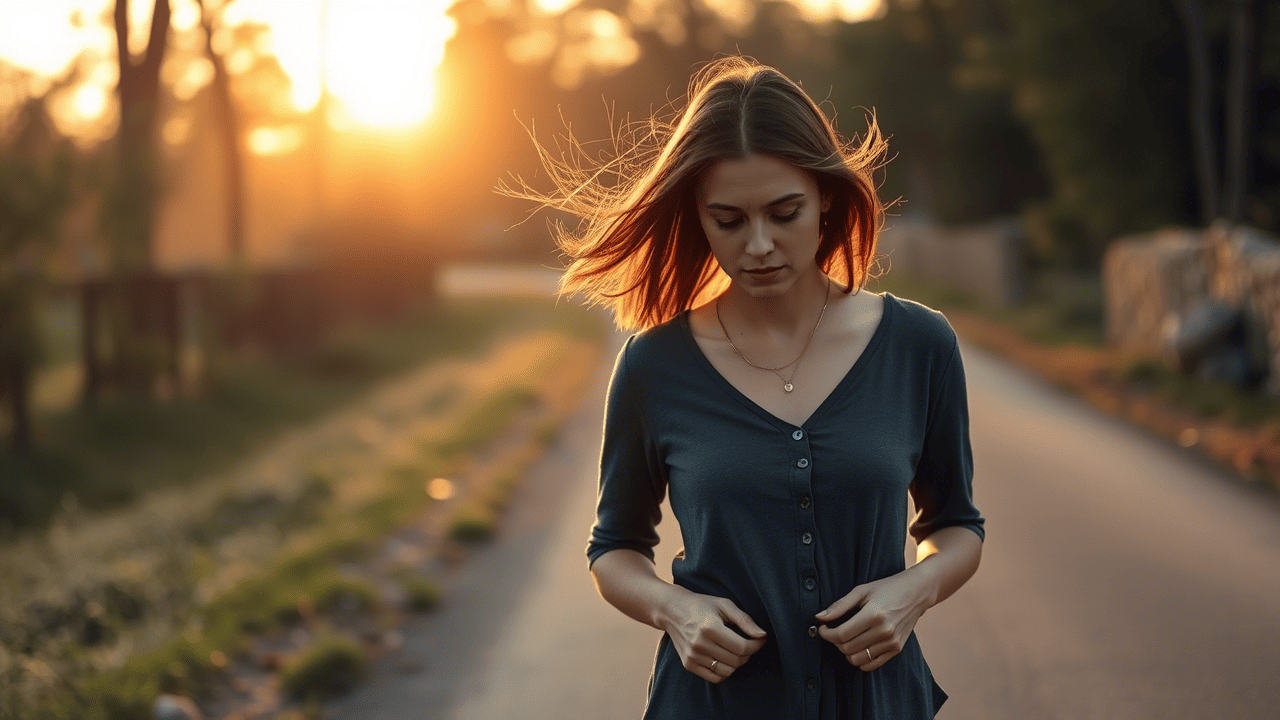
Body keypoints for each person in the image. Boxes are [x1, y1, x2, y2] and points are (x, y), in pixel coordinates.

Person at [511, 55, 985, 719]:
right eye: (728, 221)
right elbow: (613, 548)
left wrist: (913, 591)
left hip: (875, 702)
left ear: (825, 196)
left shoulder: (918, 344)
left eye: (784, 213)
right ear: (698, 217)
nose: (758, 244)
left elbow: (956, 526)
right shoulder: (654, 365)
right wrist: (675, 611)